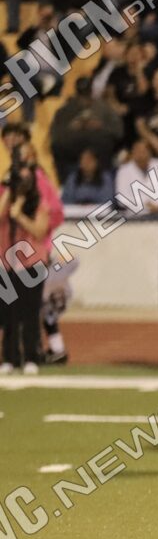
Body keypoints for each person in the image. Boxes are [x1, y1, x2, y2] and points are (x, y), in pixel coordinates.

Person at [0, 145, 64, 375]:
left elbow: (39, 231)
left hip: (32, 263)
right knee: (7, 313)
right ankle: (9, 358)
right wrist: (9, 193)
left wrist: (19, 215)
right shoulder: (6, 199)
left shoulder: (39, 203)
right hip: (7, 263)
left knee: (29, 312)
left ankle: (30, 357)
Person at [116, 139, 158, 217]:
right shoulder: (123, 171)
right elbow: (121, 199)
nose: (141, 155)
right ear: (132, 153)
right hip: (135, 217)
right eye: (138, 151)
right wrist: (146, 206)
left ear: (150, 152)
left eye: (144, 151)